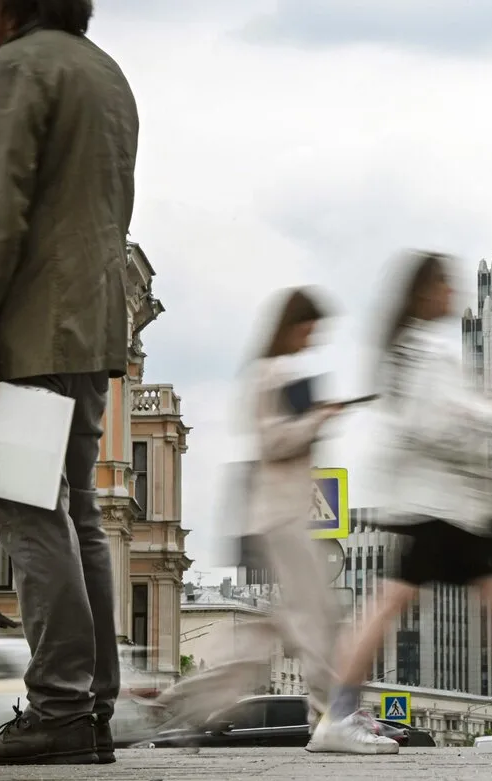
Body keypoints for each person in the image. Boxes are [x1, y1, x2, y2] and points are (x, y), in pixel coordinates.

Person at [0, 0, 137, 767]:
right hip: (83, 328)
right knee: (78, 515)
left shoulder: (23, 68)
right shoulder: (101, 72)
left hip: (22, 330)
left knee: (31, 518)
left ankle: (60, 708)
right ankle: (92, 706)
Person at [311, 252, 492, 754]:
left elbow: (443, 416)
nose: (454, 293)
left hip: (453, 506)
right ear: (427, 293)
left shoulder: (417, 350)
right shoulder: (422, 353)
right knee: (394, 606)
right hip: (440, 508)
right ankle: (340, 713)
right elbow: (436, 425)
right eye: (446, 285)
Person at [150, 289, 344, 746]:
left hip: (280, 514)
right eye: (310, 328)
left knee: (266, 636)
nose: (313, 338)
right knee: (316, 620)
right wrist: (318, 419)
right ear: (293, 326)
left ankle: (178, 702)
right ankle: (332, 717)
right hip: (279, 518)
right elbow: (273, 442)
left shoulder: (274, 373)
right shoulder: (268, 375)